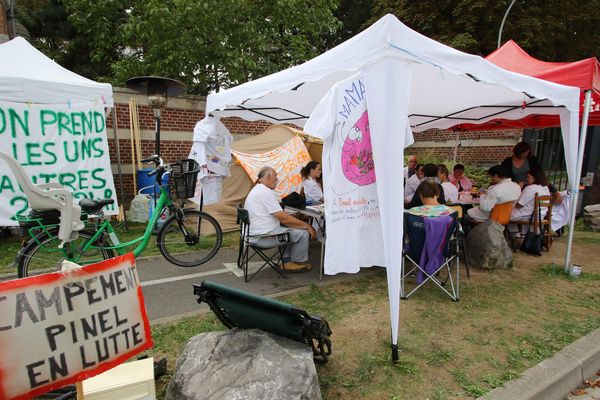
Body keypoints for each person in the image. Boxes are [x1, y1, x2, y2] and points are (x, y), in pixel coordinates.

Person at [245, 167, 317, 271]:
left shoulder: (257, 189)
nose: (277, 180)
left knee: (288, 229)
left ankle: (286, 261)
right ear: (268, 178)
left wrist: (293, 221)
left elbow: (282, 218)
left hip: (253, 234)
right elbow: (284, 218)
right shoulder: (265, 192)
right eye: (275, 177)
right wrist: (308, 226)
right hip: (263, 237)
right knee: (303, 233)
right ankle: (297, 262)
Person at [509, 168, 551, 234]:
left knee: (506, 216)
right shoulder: (545, 188)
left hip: (530, 215)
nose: (526, 179)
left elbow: (519, 205)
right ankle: (522, 236)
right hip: (541, 214)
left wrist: (519, 189)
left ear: (535, 178)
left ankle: (516, 236)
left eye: (528, 177)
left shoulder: (530, 188)